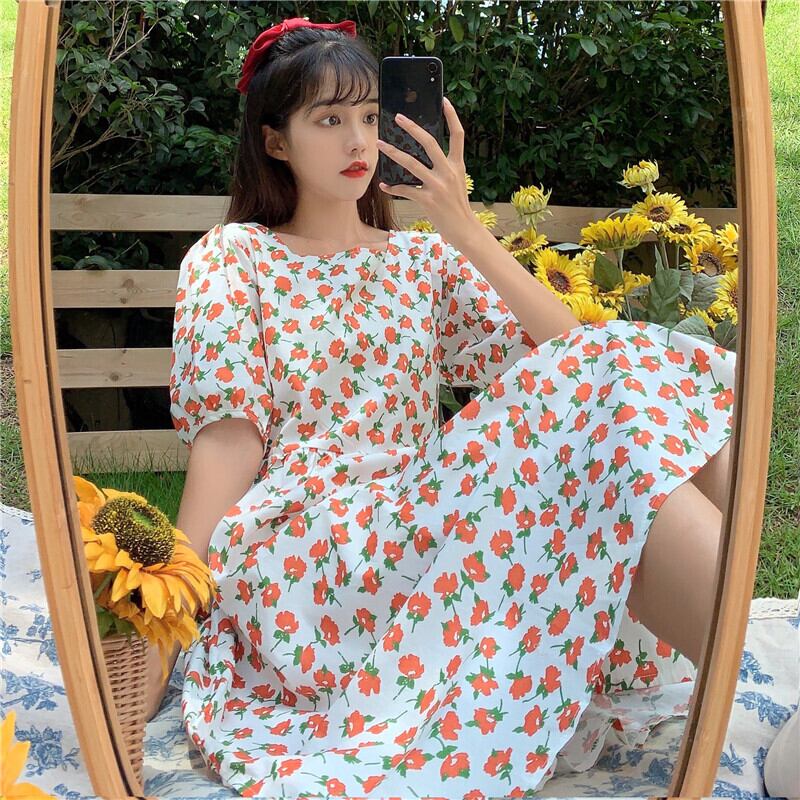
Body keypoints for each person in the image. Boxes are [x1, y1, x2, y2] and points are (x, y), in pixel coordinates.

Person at [146, 16, 737, 797]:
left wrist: (464, 229)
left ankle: (745, 673)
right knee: (618, 400)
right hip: (311, 552)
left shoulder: (422, 259)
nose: (359, 140)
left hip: (420, 518)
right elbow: (229, 444)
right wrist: (162, 612)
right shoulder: (235, 256)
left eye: (369, 116)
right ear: (275, 141)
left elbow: (579, 361)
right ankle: (746, 668)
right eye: (328, 119)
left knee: (636, 386)